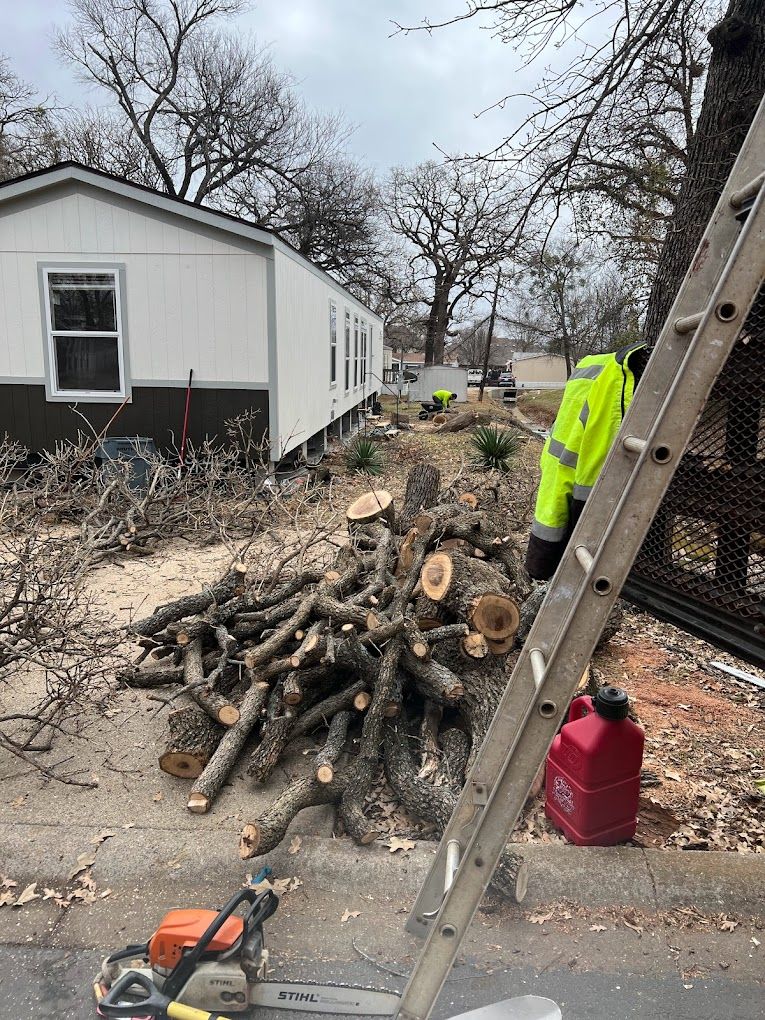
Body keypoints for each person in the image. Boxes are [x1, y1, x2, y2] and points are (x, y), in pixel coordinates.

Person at [525, 342, 649, 581]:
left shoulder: (586, 375)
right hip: (588, 491)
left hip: (561, 480)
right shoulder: (608, 383)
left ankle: (542, 571)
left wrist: (539, 563)